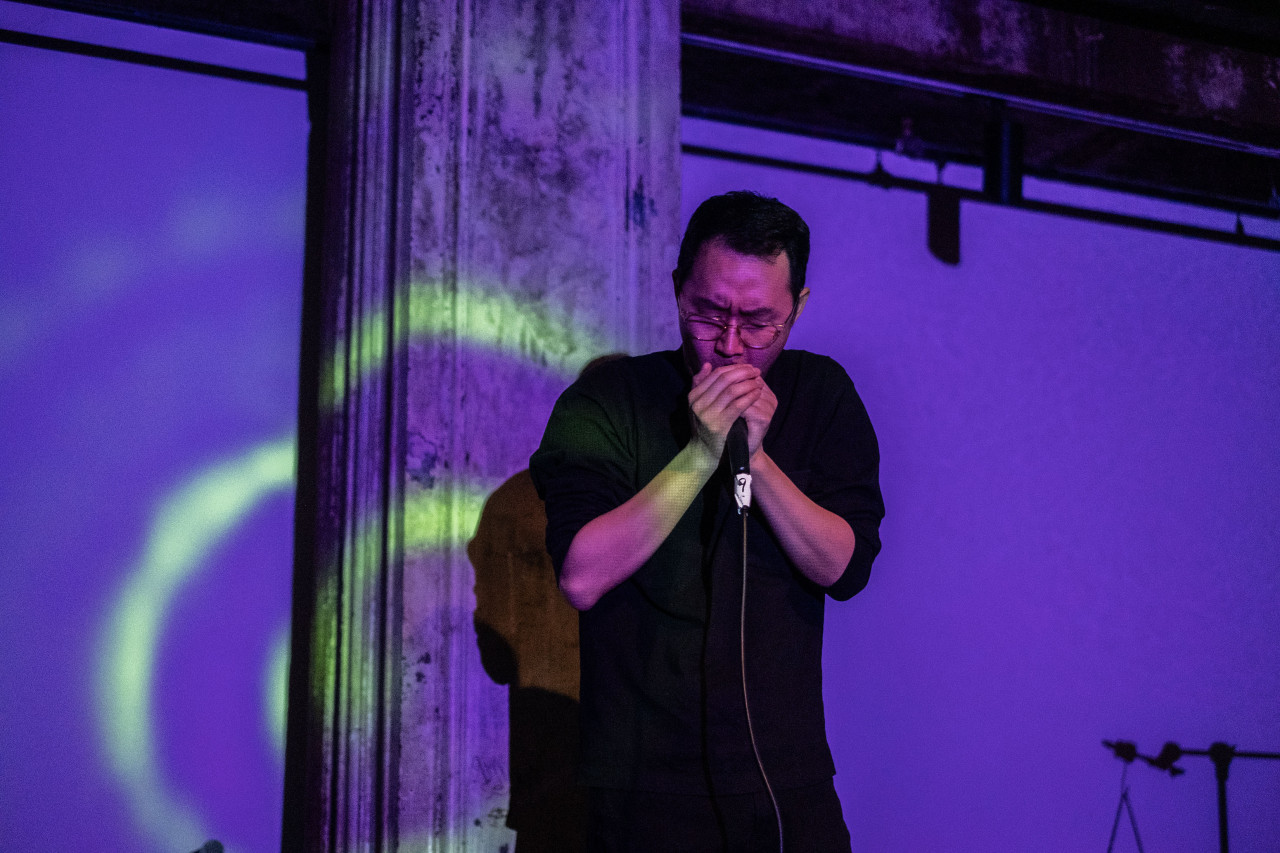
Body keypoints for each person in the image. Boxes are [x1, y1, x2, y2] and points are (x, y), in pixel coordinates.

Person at [529, 191, 885, 852]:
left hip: (787, 779)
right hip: (643, 785)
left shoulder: (823, 394)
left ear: (798, 308)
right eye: (707, 312)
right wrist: (700, 451)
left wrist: (753, 453)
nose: (728, 343)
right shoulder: (608, 402)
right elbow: (581, 574)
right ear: (676, 289)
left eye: (757, 321)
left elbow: (844, 564)